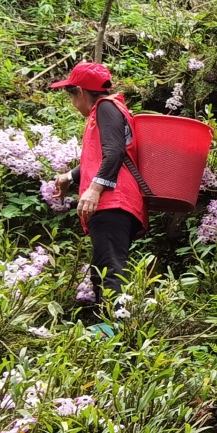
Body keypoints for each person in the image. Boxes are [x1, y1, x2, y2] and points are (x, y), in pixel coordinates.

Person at [50, 61, 147, 316]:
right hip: (119, 201)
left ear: (80, 91)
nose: (73, 103)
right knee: (102, 266)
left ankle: (116, 330)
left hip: (113, 201)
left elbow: (114, 153)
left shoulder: (105, 107)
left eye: (71, 95)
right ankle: (108, 328)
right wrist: (70, 177)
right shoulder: (113, 110)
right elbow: (103, 157)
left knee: (110, 267)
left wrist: (93, 190)